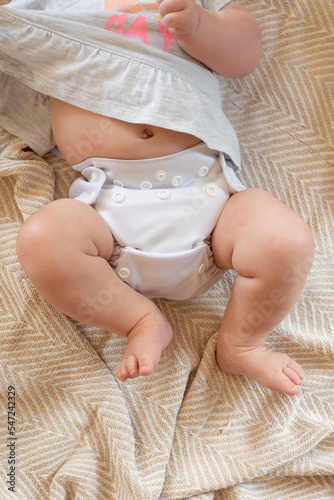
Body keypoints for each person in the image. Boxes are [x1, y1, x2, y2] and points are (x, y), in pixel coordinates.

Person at [15, 0, 314, 396]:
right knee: (42, 240)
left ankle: (241, 344)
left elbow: (245, 53)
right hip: (106, 210)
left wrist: (199, 24)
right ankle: (139, 320)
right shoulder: (48, 8)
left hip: (212, 204)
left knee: (286, 242)